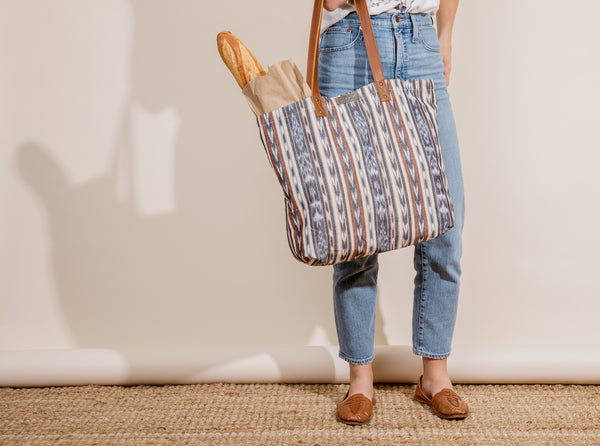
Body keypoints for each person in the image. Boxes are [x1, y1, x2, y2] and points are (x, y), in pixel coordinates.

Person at [318, 0, 469, 423]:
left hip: (420, 40)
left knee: (445, 221)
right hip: (350, 41)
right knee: (357, 226)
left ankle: (435, 376)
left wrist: (444, 33)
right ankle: (360, 381)